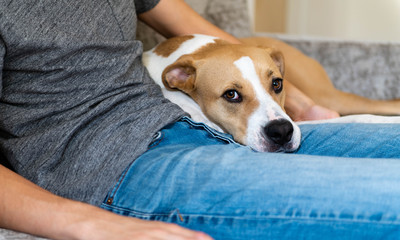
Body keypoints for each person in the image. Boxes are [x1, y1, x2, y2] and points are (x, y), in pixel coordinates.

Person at [0, 0, 399, 240]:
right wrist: (89, 225)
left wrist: (288, 93)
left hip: (196, 122)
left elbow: (196, 32)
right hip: (117, 161)